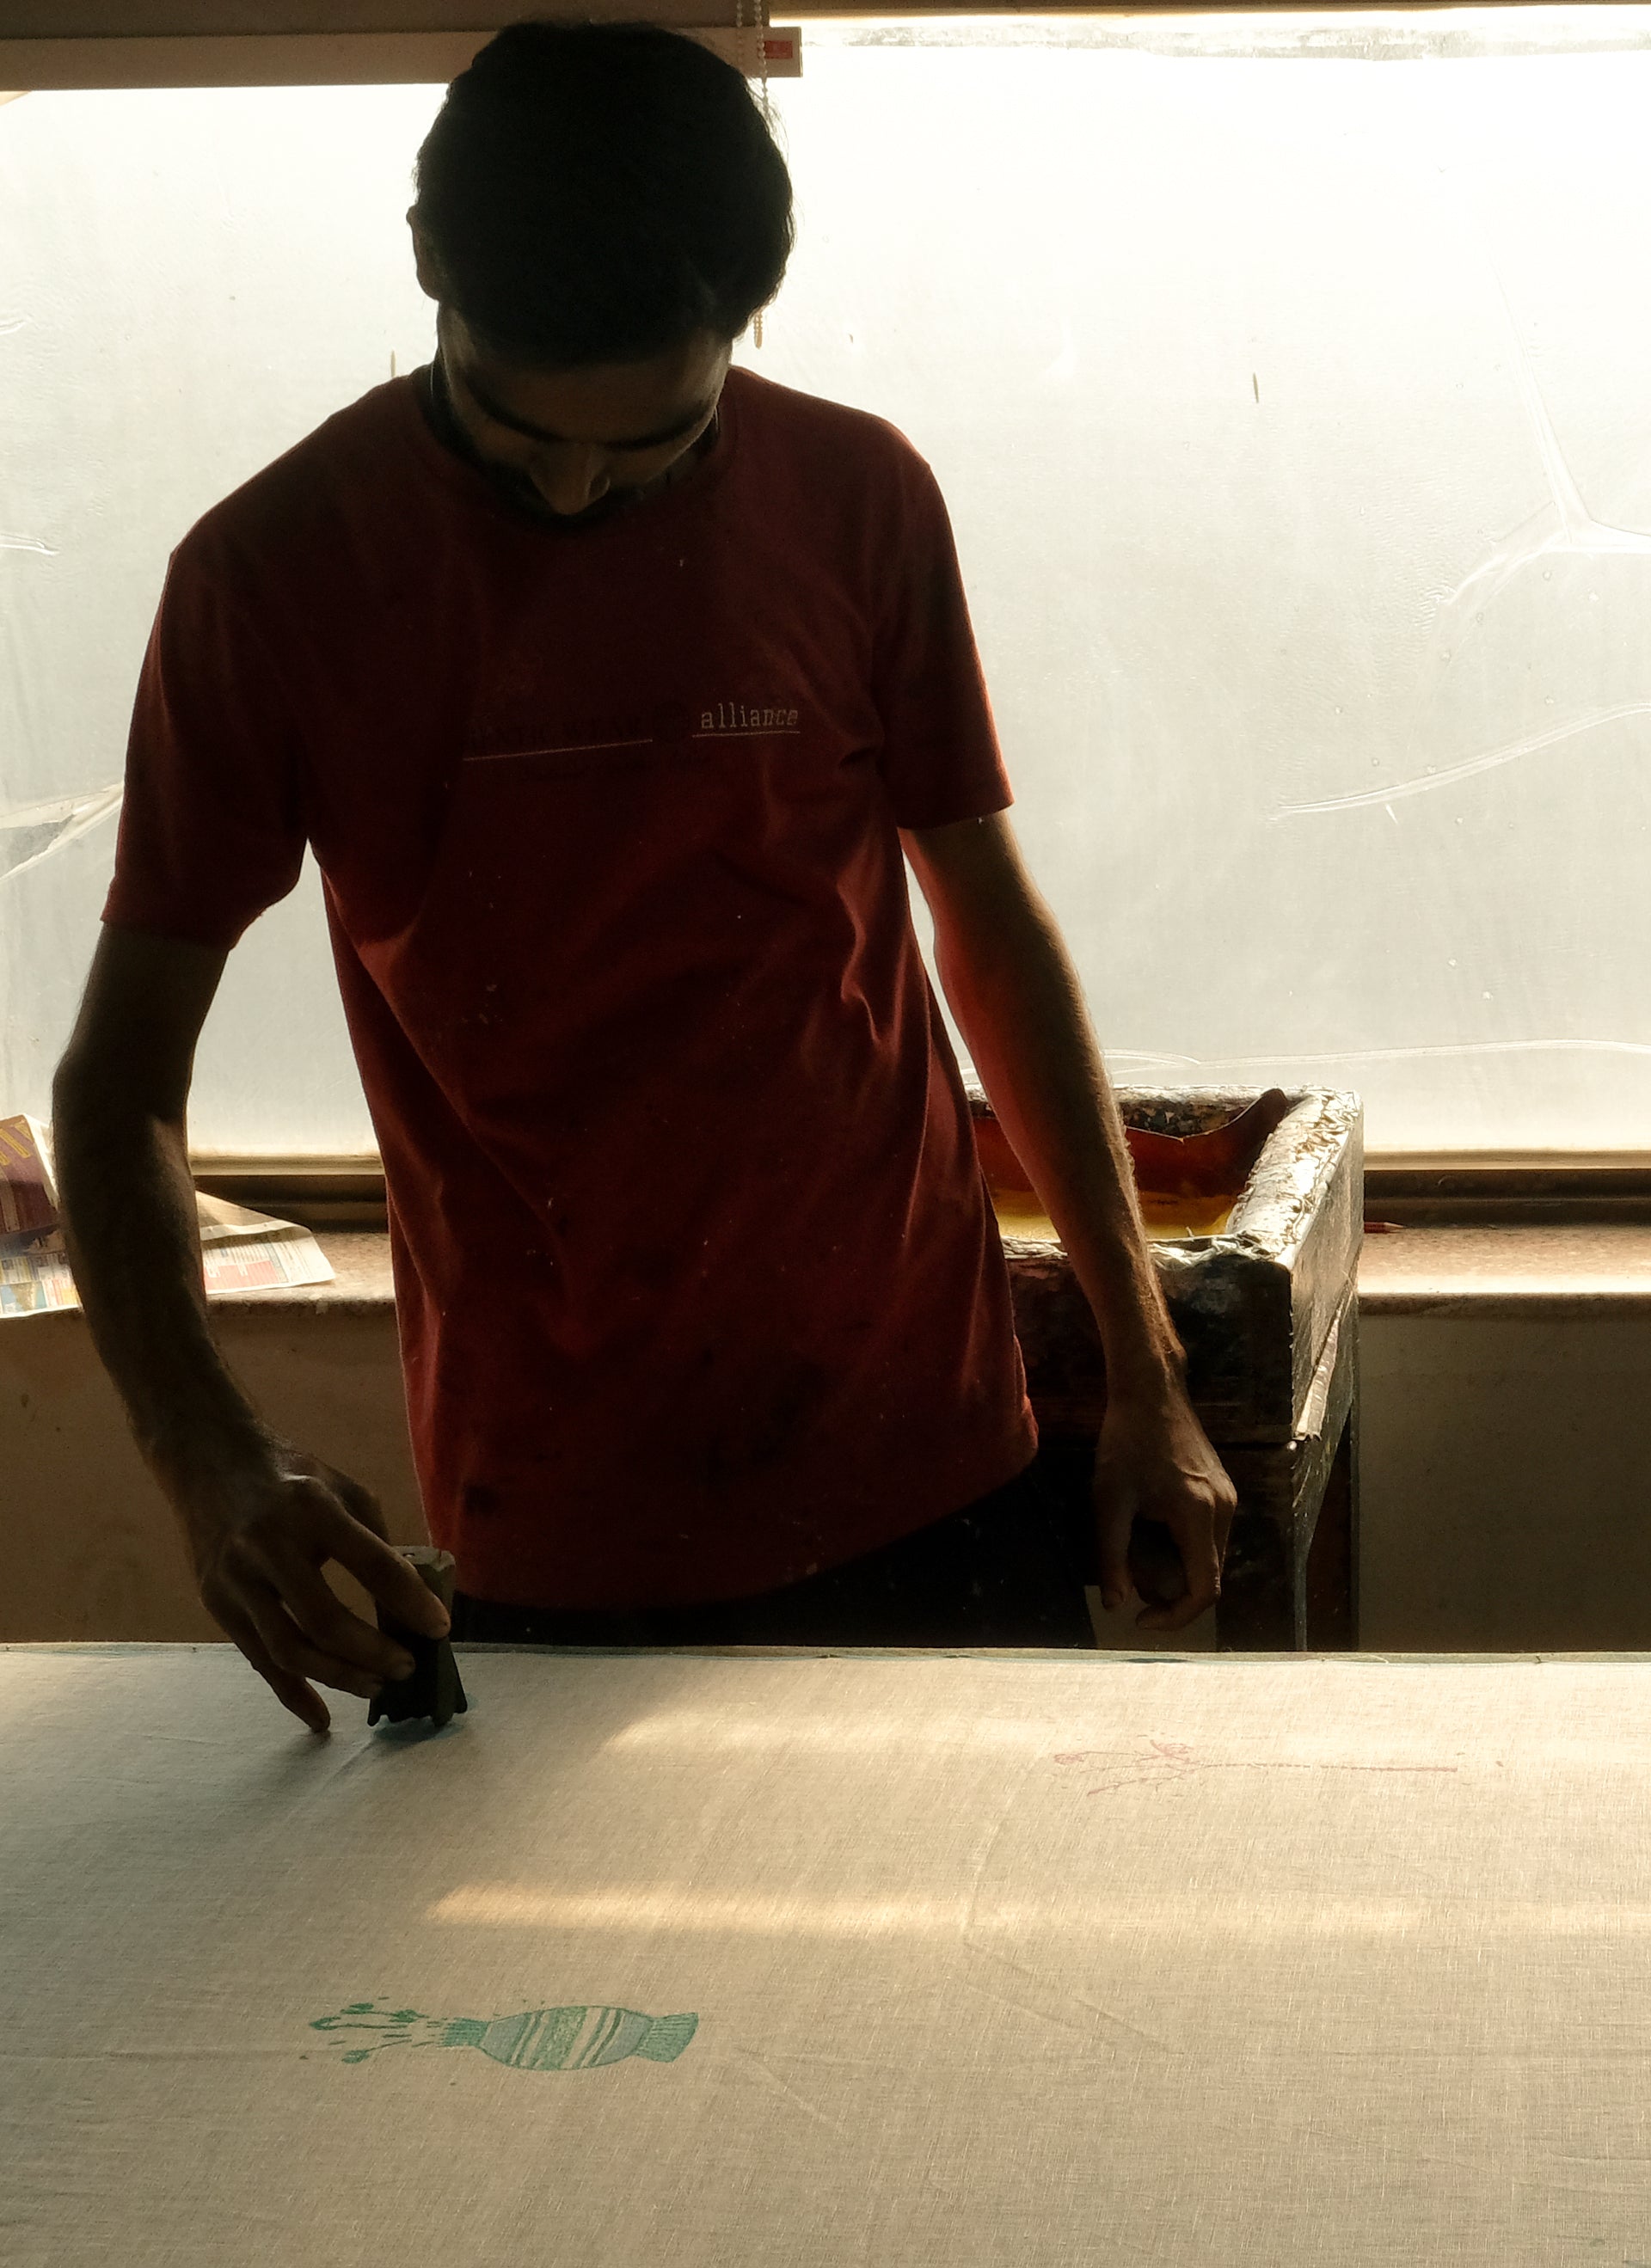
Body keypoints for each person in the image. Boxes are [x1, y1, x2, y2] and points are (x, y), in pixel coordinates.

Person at [52, 19, 1236, 1730]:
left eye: (652, 444)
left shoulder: (860, 499)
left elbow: (988, 929)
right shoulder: (273, 578)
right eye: (515, 430)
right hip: (560, 1514)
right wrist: (208, 1459)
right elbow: (118, 1088)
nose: (573, 489)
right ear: (429, 263)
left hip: (935, 1459)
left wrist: (1145, 1369)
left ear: (747, 322)